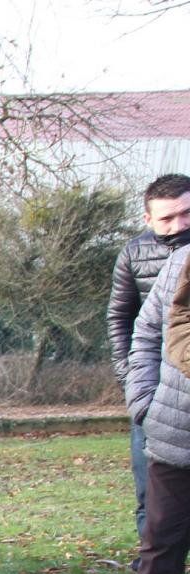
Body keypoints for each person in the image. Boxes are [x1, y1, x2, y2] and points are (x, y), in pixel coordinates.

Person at [108, 242, 190, 574]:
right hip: (174, 428)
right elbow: (146, 330)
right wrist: (145, 401)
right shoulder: (181, 262)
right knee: (160, 537)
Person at [109, 174, 190, 546]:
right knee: (150, 498)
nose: (180, 225)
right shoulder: (134, 254)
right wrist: (137, 391)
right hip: (157, 395)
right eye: (168, 218)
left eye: (187, 214)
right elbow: (120, 319)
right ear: (147, 219)